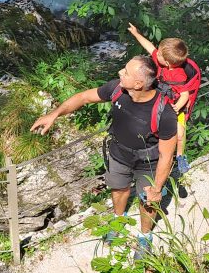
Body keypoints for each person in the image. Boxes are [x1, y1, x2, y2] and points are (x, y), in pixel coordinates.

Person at [30, 55, 177, 253]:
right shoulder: (117, 89)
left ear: (138, 84)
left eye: (126, 72)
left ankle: (145, 237)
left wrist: (157, 189)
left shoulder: (164, 113)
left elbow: (167, 155)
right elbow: (83, 97)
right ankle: (118, 221)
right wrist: (54, 114)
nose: (120, 72)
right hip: (118, 154)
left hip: (148, 162)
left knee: (148, 201)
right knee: (119, 189)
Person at [125, 23, 201, 197]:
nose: (155, 54)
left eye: (158, 53)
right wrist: (136, 33)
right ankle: (158, 180)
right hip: (162, 105)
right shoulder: (162, 62)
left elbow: (185, 95)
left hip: (174, 108)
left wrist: (177, 108)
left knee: (179, 135)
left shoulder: (179, 74)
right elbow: (149, 46)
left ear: (167, 62)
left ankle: (180, 158)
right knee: (159, 146)